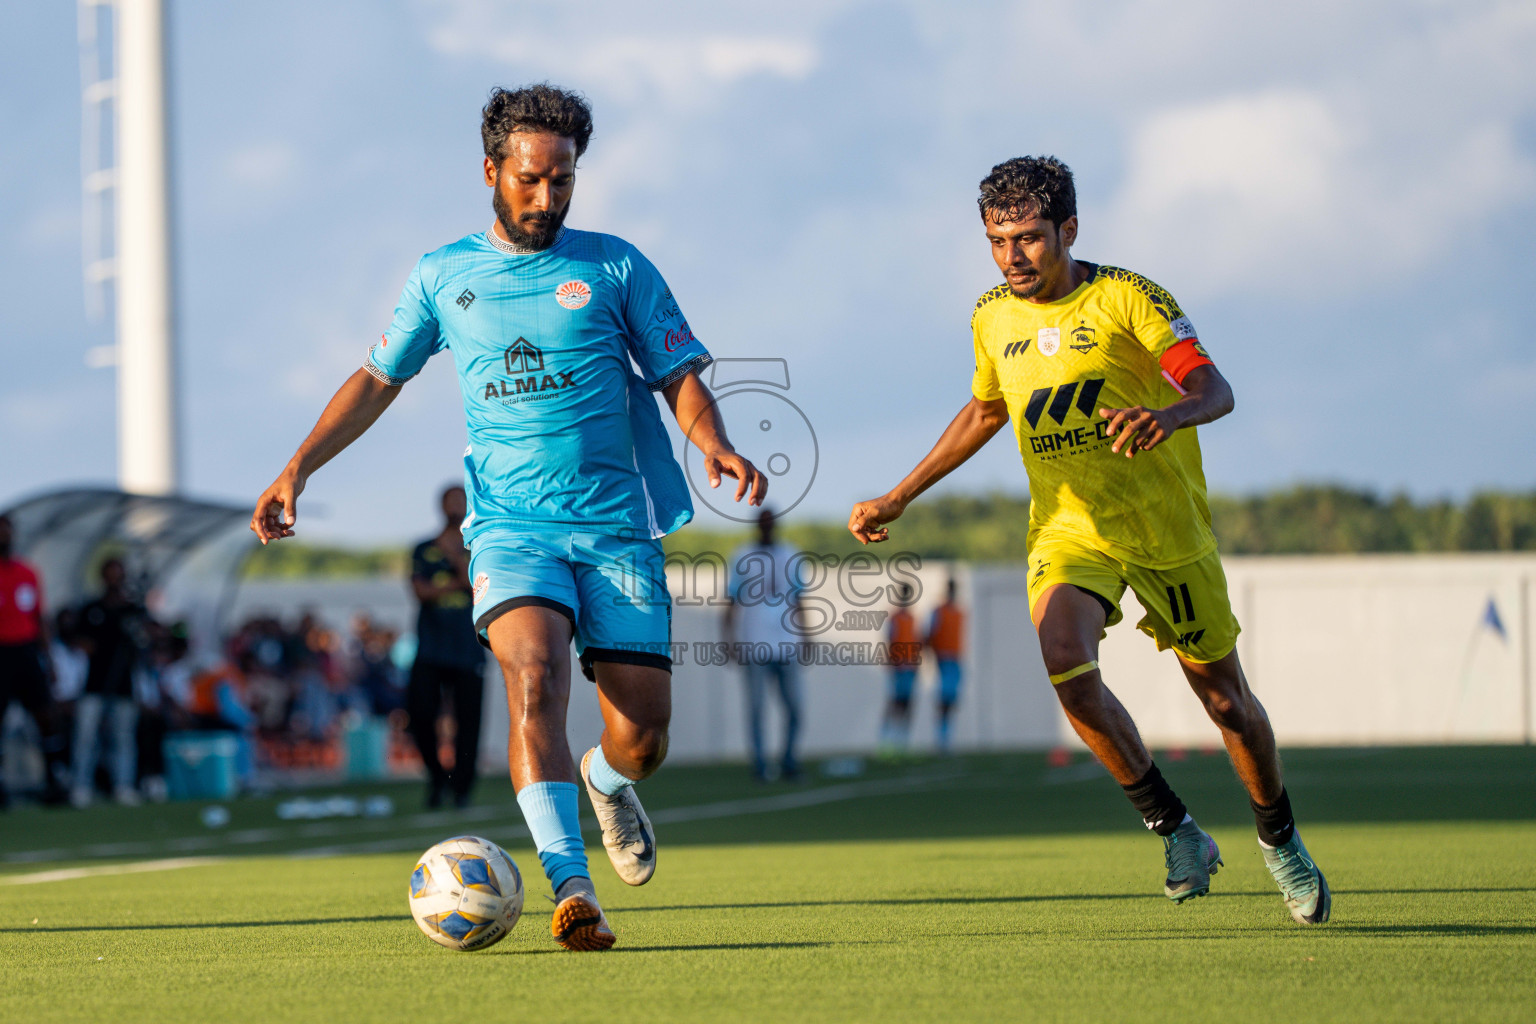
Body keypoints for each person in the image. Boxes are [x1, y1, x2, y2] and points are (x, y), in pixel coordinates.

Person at [250, 84, 765, 951]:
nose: (546, 197)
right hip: (511, 529)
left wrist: (712, 441)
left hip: (616, 530)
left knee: (644, 735)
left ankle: (607, 782)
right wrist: (297, 468)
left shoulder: (616, 266)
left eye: (563, 180)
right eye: (530, 179)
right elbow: (377, 379)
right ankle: (574, 888)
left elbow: (678, 373)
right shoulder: (442, 274)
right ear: (491, 170)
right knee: (533, 679)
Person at [848, 156, 1329, 926]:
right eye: (997, 241)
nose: (1012, 256)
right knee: (1067, 669)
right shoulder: (991, 316)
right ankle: (1177, 831)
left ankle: (1281, 842)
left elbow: (1214, 388)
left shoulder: (1129, 299)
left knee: (1227, 704)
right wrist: (899, 495)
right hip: (1069, 532)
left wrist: (1168, 415)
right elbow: (985, 410)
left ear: (1069, 229)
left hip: (1163, 532)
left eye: (1029, 238)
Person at [407, 485, 487, 808]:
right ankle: (436, 778)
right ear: (440, 505)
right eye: (450, 500)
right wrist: (457, 583)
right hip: (430, 649)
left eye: (460, 500)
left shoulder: (478, 547)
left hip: (468, 648)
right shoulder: (423, 548)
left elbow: (477, 588)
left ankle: (461, 789)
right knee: (420, 713)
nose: (455, 506)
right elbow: (421, 592)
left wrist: (454, 558)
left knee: (469, 723)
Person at [724, 507, 804, 782]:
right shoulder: (742, 556)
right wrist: (729, 639)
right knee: (756, 710)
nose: (767, 527)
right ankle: (760, 765)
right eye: (763, 522)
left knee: (795, 708)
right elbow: (731, 600)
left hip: (787, 642)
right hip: (754, 643)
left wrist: (807, 636)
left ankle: (789, 761)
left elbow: (799, 600)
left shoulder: (790, 555)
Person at [0, 513, 67, 807]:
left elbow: (40, 618)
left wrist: (49, 660)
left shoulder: (27, 572)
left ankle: (54, 777)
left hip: (26, 651)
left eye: (7, 531)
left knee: (45, 715)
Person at [72, 557, 149, 807]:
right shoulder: (91, 609)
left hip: (124, 685)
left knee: (123, 737)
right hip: (94, 683)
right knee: (86, 736)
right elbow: (80, 642)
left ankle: (123, 785)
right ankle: (81, 786)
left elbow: (143, 642)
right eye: (110, 574)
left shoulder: (132, 610)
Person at [878, 584, 921, 753]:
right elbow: (889, 640)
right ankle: (886, 739)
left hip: (909, 667)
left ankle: (903, 740)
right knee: (894, 702)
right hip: (898, 668)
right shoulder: (894, 618)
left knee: (907, 703)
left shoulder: (912, 619)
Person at [925, 578, 966, 753]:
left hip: (955, 659)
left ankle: (946, 737)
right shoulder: (939, 611)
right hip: (943, 659)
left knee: (951, 700)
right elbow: (930, 634)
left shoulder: (959, 612)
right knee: (944, 699)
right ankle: (941, 738)